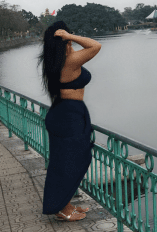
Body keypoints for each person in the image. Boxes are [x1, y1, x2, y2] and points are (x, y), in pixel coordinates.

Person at [38, 21, 101, 221]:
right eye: (67, 35)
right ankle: (62, 210)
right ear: (63, 39)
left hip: (64, 113)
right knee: (69, 163)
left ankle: (65, 204)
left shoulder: (55, 59)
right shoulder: (70, 61)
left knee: (64, 162)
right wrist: (70, 36)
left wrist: (67, 41)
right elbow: (95, 46)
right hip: (69, 116)